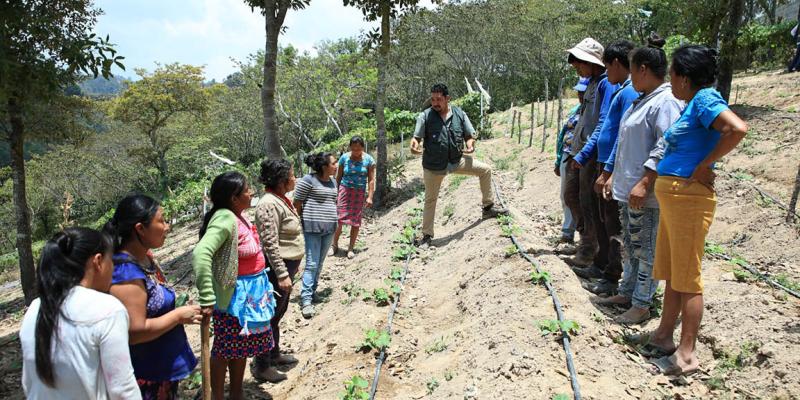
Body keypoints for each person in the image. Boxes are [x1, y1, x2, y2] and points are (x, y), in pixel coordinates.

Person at [633, 45, 747, 376]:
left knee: (688, 277)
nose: (669, 80)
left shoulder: (706, 99)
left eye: (671, 74)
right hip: (676, 198)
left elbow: (737, 128)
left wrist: (704, 165)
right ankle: (664, 336)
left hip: (689, 199)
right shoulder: (691, 104)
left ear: (683, 78)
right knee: (674, 274)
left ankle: (686, 355)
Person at [596, 34, 684, 324]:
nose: (630, 77)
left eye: (632, 71)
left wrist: (645, 181)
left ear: (643, 69)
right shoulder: (643, 101)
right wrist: (613, 176)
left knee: (646, 249)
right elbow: (625, 144)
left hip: (646, 193)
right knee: (631, 245)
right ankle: (628, 291)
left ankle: (642, 304)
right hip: (628, 189)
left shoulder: (666, 102)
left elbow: (665, 145)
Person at [20, 228, 141, 400]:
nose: (113, 268)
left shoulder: (35, 308)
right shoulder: (107, 309)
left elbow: (29, 383)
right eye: (111, 260)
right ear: (98, 261)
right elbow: (123, 391)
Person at [105, 195, 200, 400]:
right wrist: (177, 316)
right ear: (140, 228)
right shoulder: (125, 273)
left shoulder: (144, 260)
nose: (167, 227)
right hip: (145, 375)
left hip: (161, 369)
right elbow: (135, 332)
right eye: (162, 220)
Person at [193, 172, 276, 400]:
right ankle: (218, 396)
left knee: (240, 347)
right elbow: (201, 253)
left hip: (247, 297)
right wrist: (207, 297)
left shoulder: (238, 216)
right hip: (233, 300)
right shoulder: (224, 218)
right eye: (247, 189)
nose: (251, 192)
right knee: (224, 349)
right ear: (234, 198)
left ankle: (237, 394)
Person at [570, 40, 639, 296]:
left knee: (612, 224)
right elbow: (607, 127)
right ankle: (602, 267)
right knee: (601, 218)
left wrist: (606, 168)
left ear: (617, 64)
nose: (607, 73)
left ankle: (613, 276)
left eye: (608, 67)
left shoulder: (622, 91)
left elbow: (614, 131)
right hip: (605, 162)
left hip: (611, 166)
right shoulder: (618, 88)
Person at [410, 83, 507, 248]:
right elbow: (416, 138)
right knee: (430, 200)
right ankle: (427, 235)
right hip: (434, 166)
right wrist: (414, 146)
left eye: (438, 99)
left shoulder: (460, 114)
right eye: (432, 99)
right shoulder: (425, 116)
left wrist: (470, 145)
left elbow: (469, 135)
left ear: (448, 99)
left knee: (486, 170)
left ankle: (488, 207)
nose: (434, 103)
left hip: (456, 161)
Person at [562, 38, 619, 273]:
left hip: (591, 154)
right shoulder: (593, 83)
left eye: (580, 64)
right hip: (581, 151)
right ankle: (587, 243)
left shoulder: (606, 85)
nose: (577, 68)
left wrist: (585, 153)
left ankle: (590, 250)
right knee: (573, 197)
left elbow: (603, 121)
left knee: (588, 203)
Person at [252, 159, 304, 383]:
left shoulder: (281, 199)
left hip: (286, 267)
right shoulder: (268, 204)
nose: (295, 179)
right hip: (276, 271)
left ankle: (274, 353)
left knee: (277, 314)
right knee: (269, 316)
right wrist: (282, 273)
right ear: (282, 180)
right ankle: (262, 365)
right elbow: (270, 243)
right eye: (292, 175)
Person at [294, 152, 339, 319]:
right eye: (334, 163)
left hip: (329, 227)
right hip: (312, 228)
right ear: (324, 166)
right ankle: (305, 300)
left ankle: (312, 292)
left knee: (319, 262)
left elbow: (332, 202)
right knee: (311, 263)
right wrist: (300, 222)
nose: (336, 166)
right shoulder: (308, 181)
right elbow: (297, 203)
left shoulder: (333, 181)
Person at [554, 78, 588, 244]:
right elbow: (563, 135)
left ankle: (581, 236)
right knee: (566, 195)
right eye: (579, 92)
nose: (580, 95)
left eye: (584, 92)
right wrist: (558, 159)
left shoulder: (591, 112)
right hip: (568, 156)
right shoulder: (576, 109)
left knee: (577, 197)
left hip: (581, 159)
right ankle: (569, 231)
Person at [332, 136, 375, 259]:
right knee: (339, 219)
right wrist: (335, 193)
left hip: (359, 192)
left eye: (358, 148)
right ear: (350, 147)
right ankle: (334, 245)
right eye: (353, 148)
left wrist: (370, 196)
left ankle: (350, 248)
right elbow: (338, 177)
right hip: (344, 191)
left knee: (355, 222)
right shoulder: (344, 158)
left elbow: (371, 180)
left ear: (363, 147)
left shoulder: (369, 160)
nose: (356, 151)